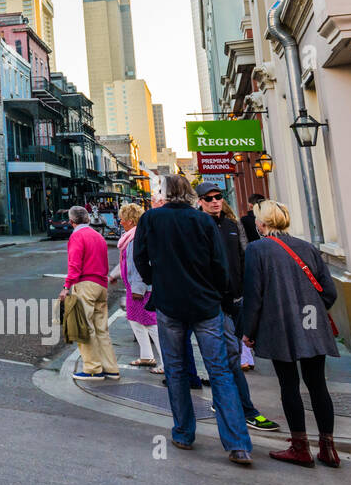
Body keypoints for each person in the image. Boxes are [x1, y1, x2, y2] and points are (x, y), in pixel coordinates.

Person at [134, 174, 253, 465]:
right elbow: (219, 263)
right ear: (189, 194)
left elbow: (140, 258)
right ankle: (237, 444)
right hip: (205, 305)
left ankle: (184, 432)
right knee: (221, 371)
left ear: (165, 193)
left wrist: (156, 280)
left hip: (170, 304)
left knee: (175, 370)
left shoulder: (150, 220)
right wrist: (220, 294)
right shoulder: (203, 221)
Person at [242, 200, 341, 468]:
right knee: (318, 384)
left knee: (289, 385)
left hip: (280, 326)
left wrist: (248, 331)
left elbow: (254, 296)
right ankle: (328, 448)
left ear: (262, 223)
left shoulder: (257, 250)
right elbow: (329, 292)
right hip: (313, 324)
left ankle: (300, 448)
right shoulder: (308, 248)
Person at [196, 179, 279, 432]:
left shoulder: (232, 225)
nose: (215, 201)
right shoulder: (197, 226)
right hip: (212, 304)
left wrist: (243, 292)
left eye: (218, 196)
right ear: (200, 202)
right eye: (208, 198)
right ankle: (246, 410)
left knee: (228, 358)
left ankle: (224, 401)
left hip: (235, 300)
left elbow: (243, 257)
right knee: (230, 358)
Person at [59, 207, 118, 381]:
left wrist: (66, 286)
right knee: (101, 329)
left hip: (85, 284)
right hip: (101, 284)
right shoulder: (98, 236)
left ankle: (93, 368)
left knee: (85, 328)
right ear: (87, 219)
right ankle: (111, 368)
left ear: (71, 222)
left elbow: (74, 264)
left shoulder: (77, 236)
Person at [112, 203, 162, 374]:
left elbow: (138, 264)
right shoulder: (131, 237)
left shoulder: (135, 239)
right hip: (134, 287)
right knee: (135, 320)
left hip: (140, 289)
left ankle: (166, 362)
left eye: (123, 219)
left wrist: (138, 289)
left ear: (131, 221)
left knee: (150, 322)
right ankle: (147, 355)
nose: (120, 222)